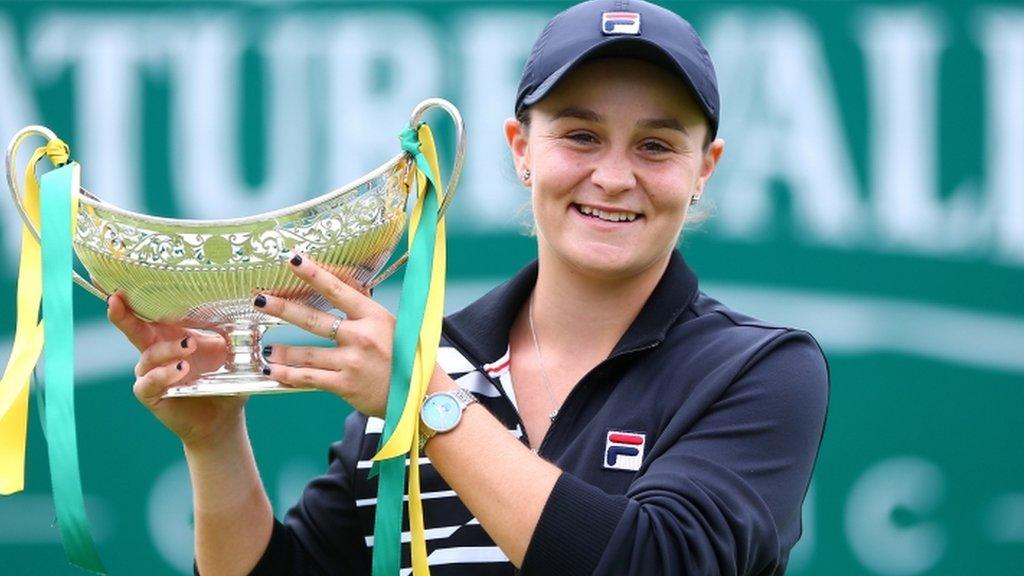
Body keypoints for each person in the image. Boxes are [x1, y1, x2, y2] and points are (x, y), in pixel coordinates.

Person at [108, 0, 829, 574]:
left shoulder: (759, 370)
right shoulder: (429, 360)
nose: (613, 176)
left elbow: (652, 563)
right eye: (579, 136)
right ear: (521, 148)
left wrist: (427, 403)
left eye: (656, 146)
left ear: (706, 168)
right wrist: (213, 442)